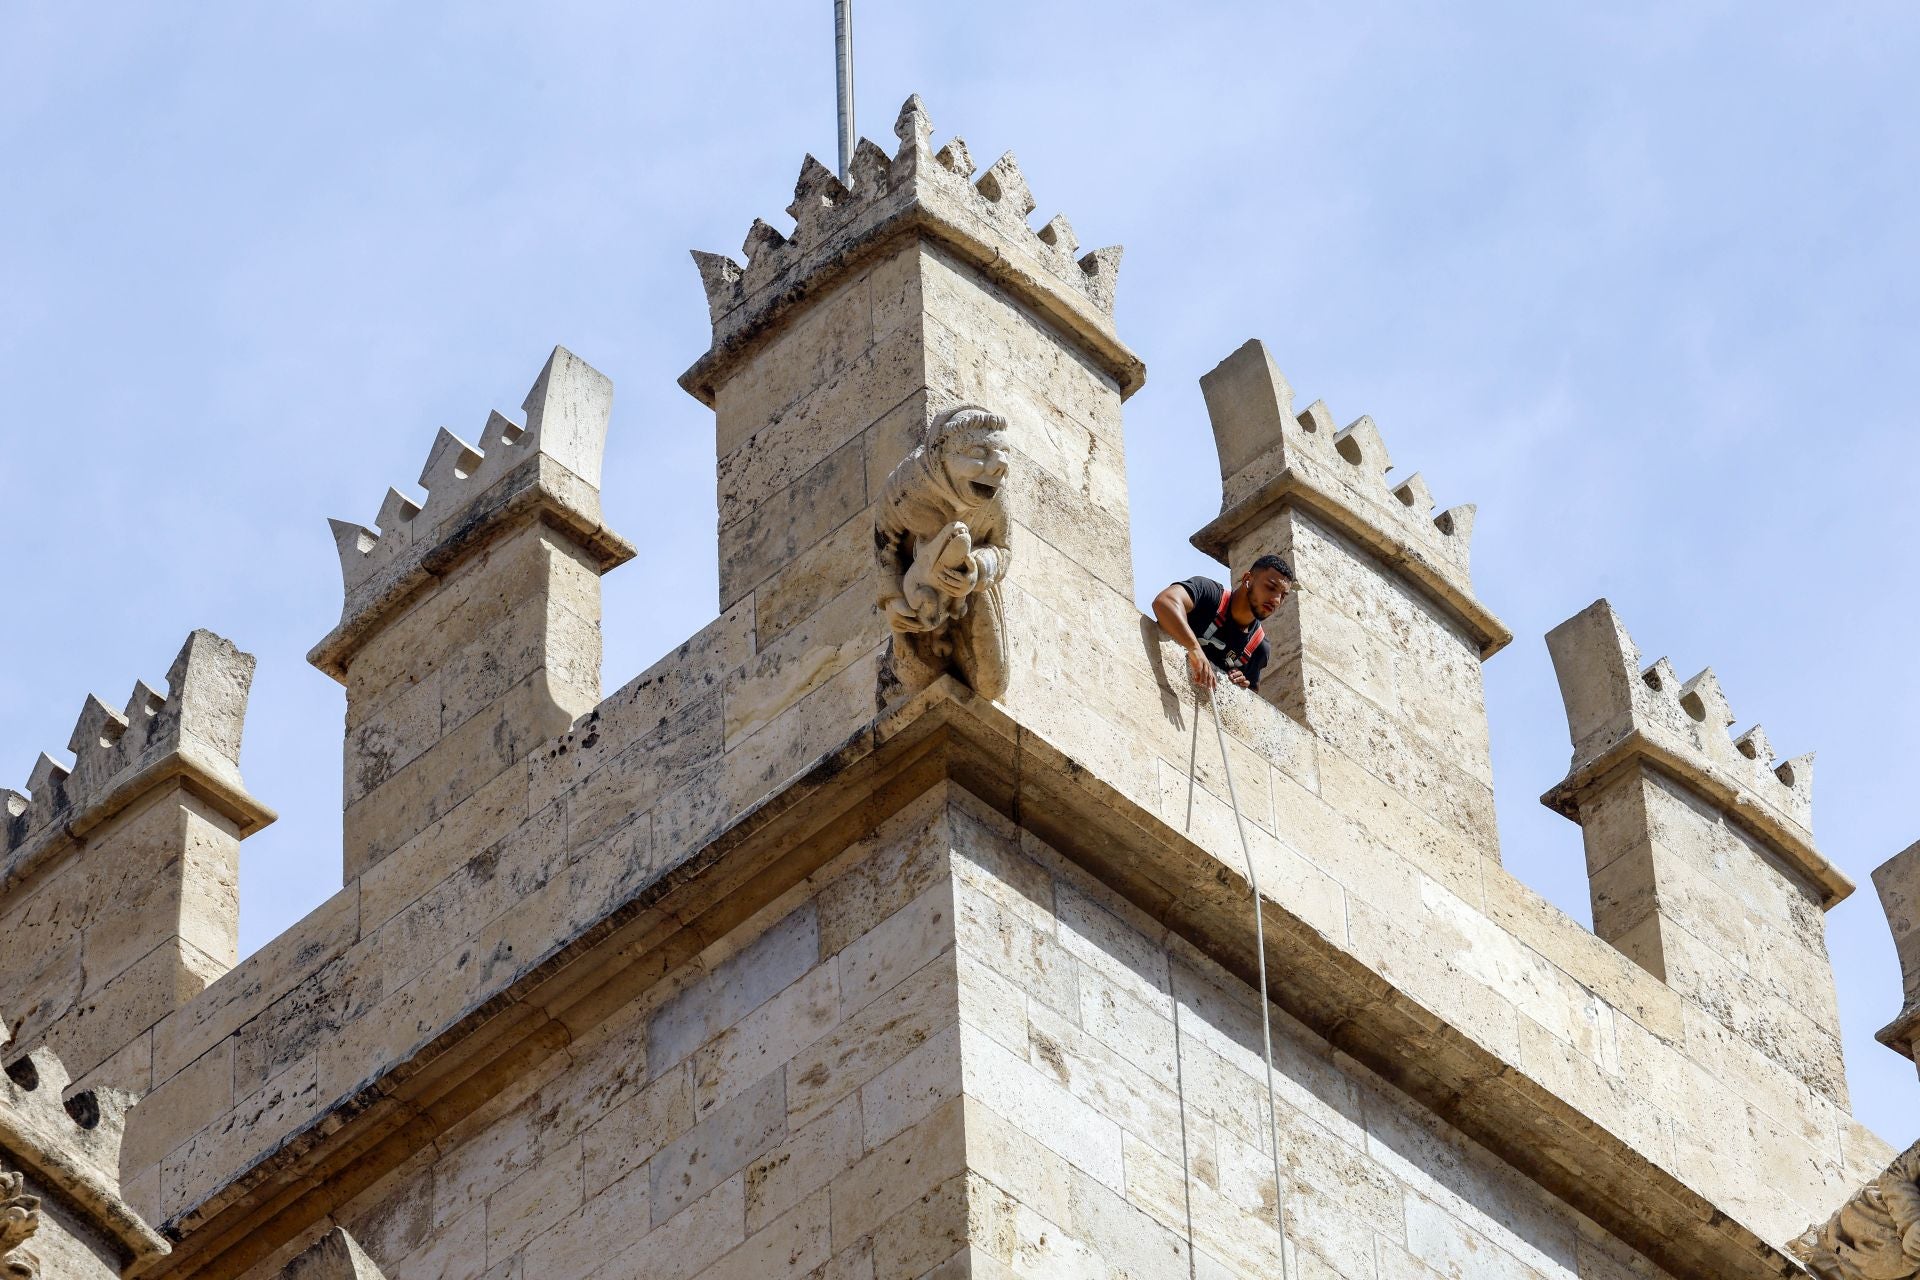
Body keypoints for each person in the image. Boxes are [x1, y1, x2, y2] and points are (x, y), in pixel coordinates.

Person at [1152, 554, 1295, 691]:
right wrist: (1194, 649)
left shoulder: (1258, 648)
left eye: (1283, 596)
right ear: (1247, 579)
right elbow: (1165, 602)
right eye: (1270, 587)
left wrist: (1241, 685)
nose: (1276, 600)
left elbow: (1251, 694)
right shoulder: (1208, 594)